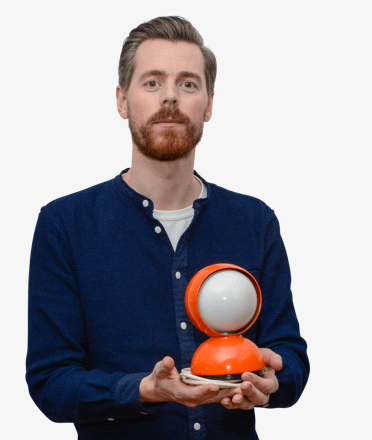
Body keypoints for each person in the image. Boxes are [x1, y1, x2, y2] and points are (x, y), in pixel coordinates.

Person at [26, 16, 310, 440]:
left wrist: (273, 382)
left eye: (188, 84)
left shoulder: (255, 222)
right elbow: (51, 382)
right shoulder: (64, 225)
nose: (171, 97)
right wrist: (144, 390)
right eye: (153, 82)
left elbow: (291, 356)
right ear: (123, 101)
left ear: (209, 105)